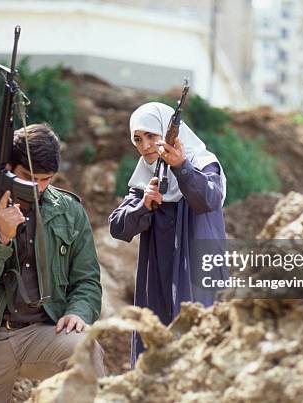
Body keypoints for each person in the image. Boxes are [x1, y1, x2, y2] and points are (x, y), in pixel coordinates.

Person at [0, 123, 104, 402]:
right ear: (7, 168)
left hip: (46, 333)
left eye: (47, 179)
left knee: (86, 351)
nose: (38, 188)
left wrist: (79, 312)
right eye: (29, 177)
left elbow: (87, 280)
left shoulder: (70, 211)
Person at [108, 102, 228, 366]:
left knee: (198, 351)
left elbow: (209, 199)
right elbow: (117, 226)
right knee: (156, 353)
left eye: (152, 136)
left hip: (198, 273)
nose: (145, 145)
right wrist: (143, 205)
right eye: (138, 139)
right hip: (158, 279)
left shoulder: (203, 163)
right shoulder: (145, 176)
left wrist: (182, 167)